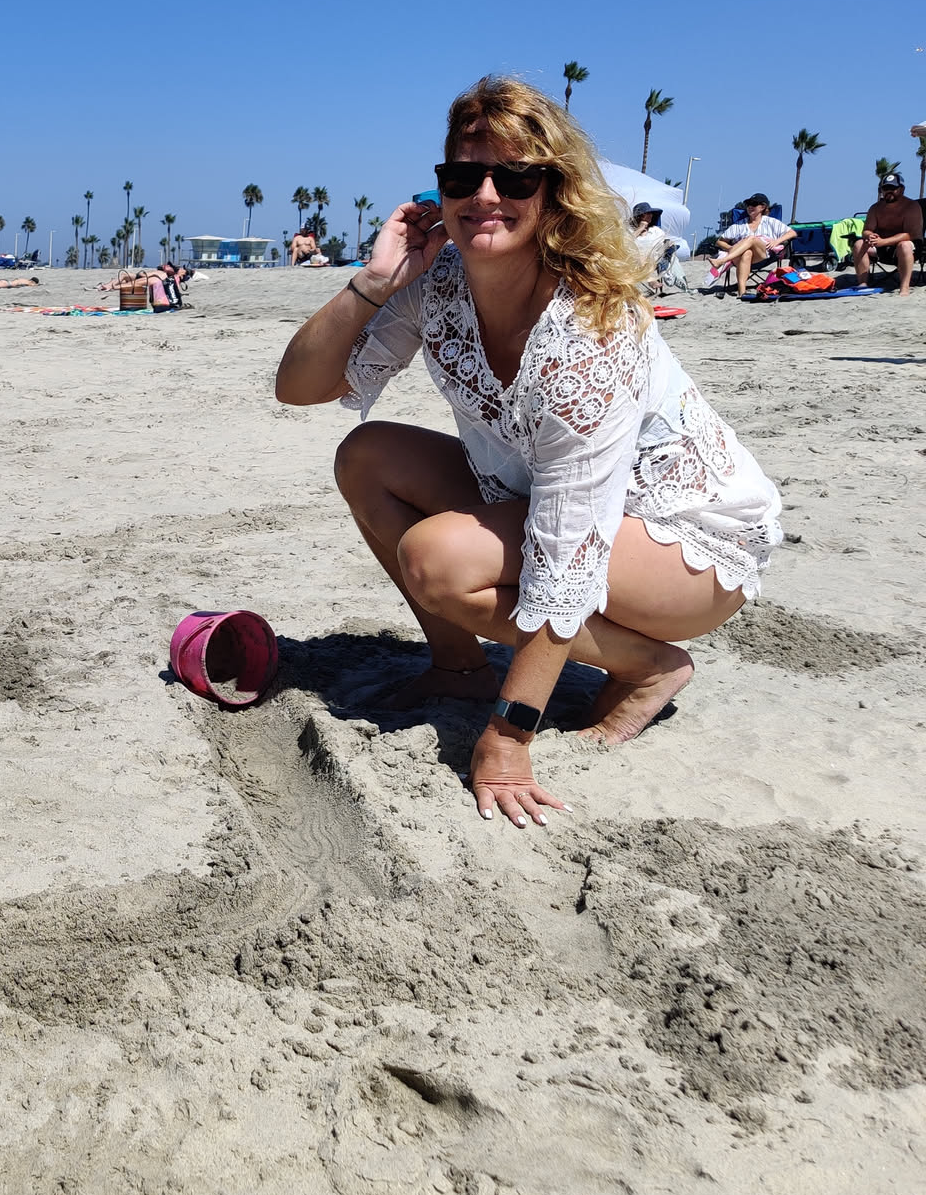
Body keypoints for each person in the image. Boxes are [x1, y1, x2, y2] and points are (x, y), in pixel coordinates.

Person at [274, 76, 782, 830]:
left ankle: (649, 664)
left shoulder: (591, 331)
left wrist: (510, 738)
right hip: (544, 502)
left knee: (439, 560)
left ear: (553, 192)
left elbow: (570, 543)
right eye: (462, 177)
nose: (485, 195)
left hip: (686, 541)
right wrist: (376, 281)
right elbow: (299, 387)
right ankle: (458, 666)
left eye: (514, 177)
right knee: (368, 455)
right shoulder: (438, 280)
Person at [705, 193, 792, 292]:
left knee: (752, 238)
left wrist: (777, 241)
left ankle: (722, 261)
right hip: (740, 258)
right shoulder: (739, 225)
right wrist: (732, 249)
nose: (750, 206)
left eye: (753, 204)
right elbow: (720, 242)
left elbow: (792, 233)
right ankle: (742, 292)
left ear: (762, 207)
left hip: (763, 256)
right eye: (748, 204)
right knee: (747, 253)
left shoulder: (771, 222)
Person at [851, 172, 920, 295]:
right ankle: (863, 284)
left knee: (904, 245)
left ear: (902, 189)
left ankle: (904, 287)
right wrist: (869, 235)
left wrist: (883, 241)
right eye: (886, 188)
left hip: (907, 248)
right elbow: (866, 230)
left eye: (893, 188)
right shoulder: (875, 208)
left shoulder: (912, 207)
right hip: (882, 248)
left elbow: (910, 234)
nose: (889, 191)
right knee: (859, 244)